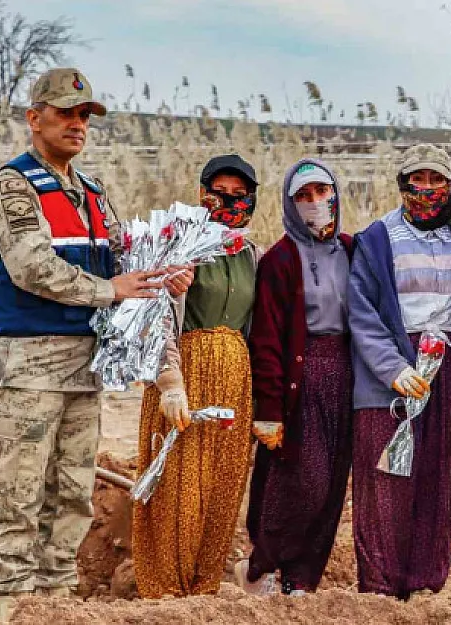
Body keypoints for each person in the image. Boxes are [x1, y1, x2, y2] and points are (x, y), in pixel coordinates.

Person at [0, 68, 187, 623]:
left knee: (71, 488)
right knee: (21, 488)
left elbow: (123, 260)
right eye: (66, 113)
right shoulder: (13, 185)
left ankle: (55, 597)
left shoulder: (91, 191)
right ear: (34, 118)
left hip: (83, 366)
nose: (77, 124)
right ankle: (12, 601)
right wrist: (109, 290)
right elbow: (30, 267)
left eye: (84, 116)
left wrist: (157, 276)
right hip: (28, 366)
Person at [131, 155, 262, 598]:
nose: (227, 203)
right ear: (202, 194)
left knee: (223, 486)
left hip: (234, 382)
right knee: (178, 488)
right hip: (186, 375)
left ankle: (206, 586)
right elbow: (155, 316)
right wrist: (170, 383)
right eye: (218, 194)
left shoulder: (250, 254)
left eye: (238, 197)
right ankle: (166, 589)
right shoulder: (176, 246)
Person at [347, 144, 451, 598]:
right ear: (402, 186)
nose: (428, 189)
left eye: (437, 180)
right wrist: (392, 368)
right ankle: (380, 588)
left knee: (437, 477)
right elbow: (360, 312)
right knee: (385, 482)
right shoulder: (378, 238)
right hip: (390, 371)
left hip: (445, 362)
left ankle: (425, 586)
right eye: (418, 179)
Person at [239, 159, 355, 596]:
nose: (314, 204)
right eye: (303, 197)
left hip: (343, 376)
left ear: (335, 195)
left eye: (321, 193)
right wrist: (268, 409)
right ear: (290, 204)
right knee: (300, 481)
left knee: (330, 489)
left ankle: (302, 578)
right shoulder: (280, 259)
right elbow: (266, 340)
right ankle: (262, 567)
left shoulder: (350, 249)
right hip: (299, 380)